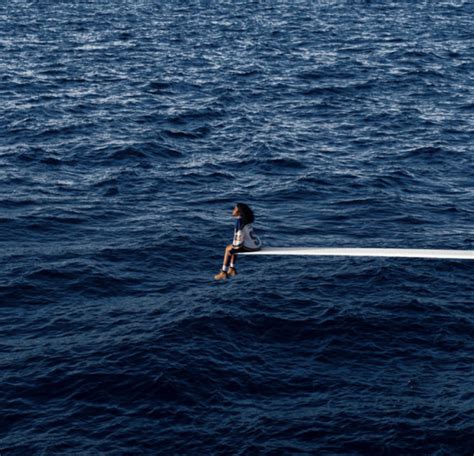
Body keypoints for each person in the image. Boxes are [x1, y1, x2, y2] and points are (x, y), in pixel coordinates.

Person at [214, 203, 262, 280]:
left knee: (228, 249)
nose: (233, 211)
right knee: (233, 246)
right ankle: (232, 268)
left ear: (239, 212)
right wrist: (235, 247)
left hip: (250, 247)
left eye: (234, 209)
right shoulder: (246, 220)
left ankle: (223, 272)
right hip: (256, 245)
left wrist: (233, 250)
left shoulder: (239, 222)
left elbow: (239, 237)